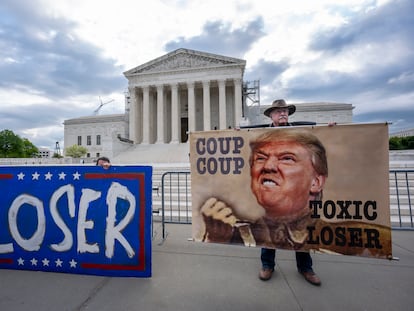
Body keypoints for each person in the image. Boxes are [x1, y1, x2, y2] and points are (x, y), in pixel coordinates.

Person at [200, 99, 326, 286]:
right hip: (274, 193)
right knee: (269, 228)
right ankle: (267, 265)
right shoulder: (261, 131)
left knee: (303, 230)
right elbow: (246, 139)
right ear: (271, 116)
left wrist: (332, 129)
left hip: (297, 194)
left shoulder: (302, 130)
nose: (282, 113)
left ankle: (305, 268)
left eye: (284, 111)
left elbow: (321, 136)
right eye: (278, 111)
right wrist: (236, 133)